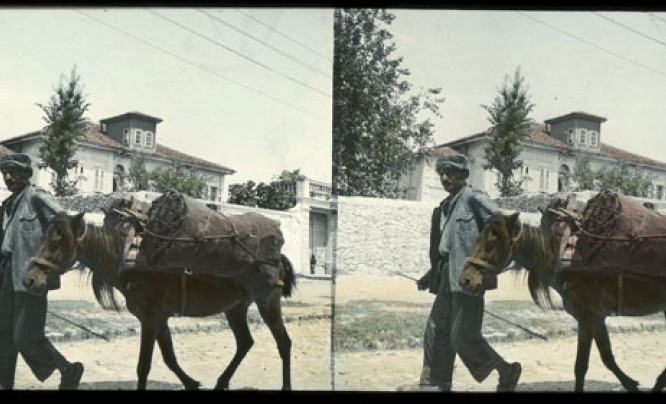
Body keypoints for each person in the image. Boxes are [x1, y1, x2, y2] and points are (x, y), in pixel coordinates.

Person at [416, 154, 521, 392]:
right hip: (445, 277)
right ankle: (436, 382)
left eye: (450, 172)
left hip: (468, 280)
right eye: (442, 173)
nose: (444, 178)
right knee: (435, 330)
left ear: (463, 175)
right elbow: (449, 247)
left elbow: (503, 227)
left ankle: (507, 370)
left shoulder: (473, 198)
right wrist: (431, 273)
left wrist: (486, 270)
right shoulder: (445, 207)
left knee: (463, 338)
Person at [0, 153, 84, 390]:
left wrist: (52, 269)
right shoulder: (7, 205)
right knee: (4, 334)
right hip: (6, 274)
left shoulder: (36, 198)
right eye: (5, 173)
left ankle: (69, 369)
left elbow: (69, 226)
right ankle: (6, 384)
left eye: (14, 172)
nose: (8, 177)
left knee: (25, 337)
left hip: (30, 278)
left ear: (26, 175)